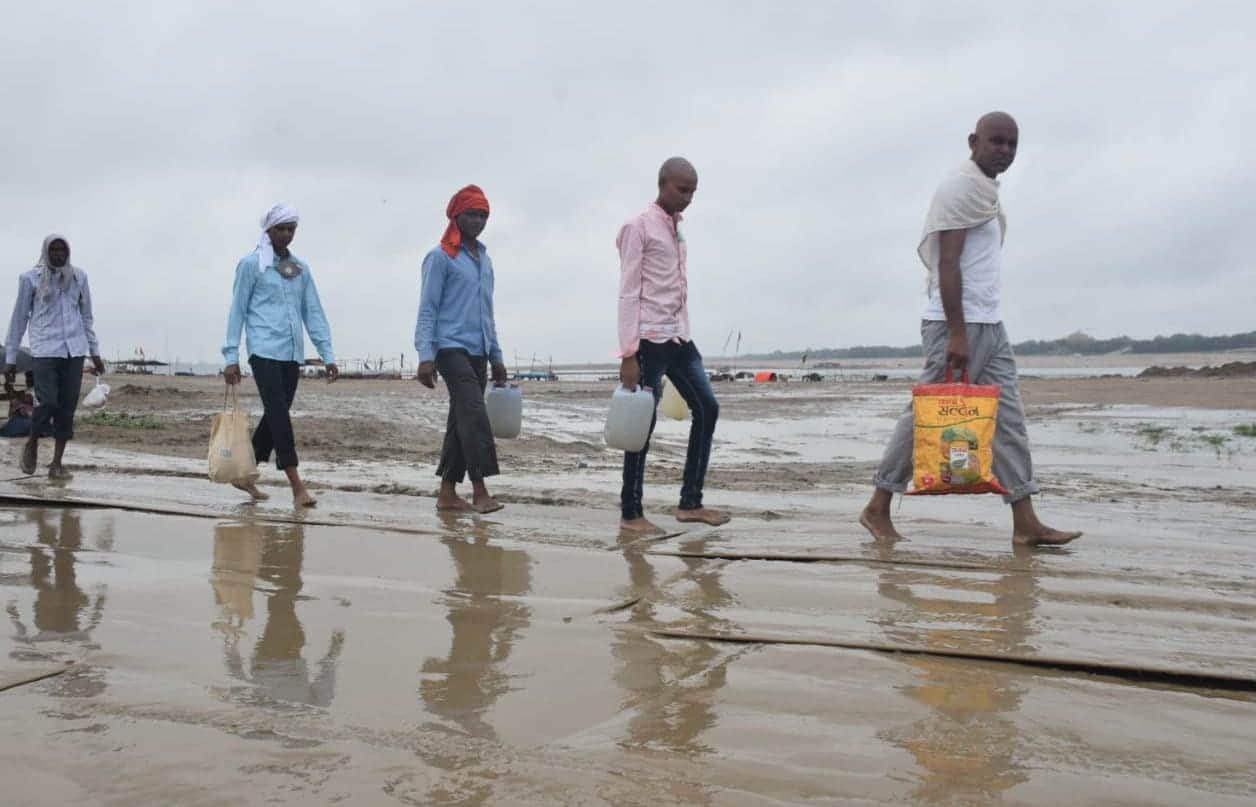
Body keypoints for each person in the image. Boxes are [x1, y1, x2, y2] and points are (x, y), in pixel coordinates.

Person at [859, 112, 1082, 548]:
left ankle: (1025, 521)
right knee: (926, 415)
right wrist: (958, 333)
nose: (1005, 150)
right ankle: (877, 505)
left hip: (989, 323)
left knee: (1010, 420)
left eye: (1012, 144)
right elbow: (948, 263)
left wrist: (979, 325)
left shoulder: (986, 193)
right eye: (996, 141)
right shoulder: (959, 188)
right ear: (973, 142)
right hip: (954, 322)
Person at [616, 157, 729, 535]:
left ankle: (690, 504)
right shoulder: (639, 227)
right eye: (683, 190)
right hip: (649, 339)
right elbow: (629, 291)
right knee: (641, 425)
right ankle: (631, 513)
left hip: (680, 335)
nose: (689, 198)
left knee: (707, 408)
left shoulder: (677, 231)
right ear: (662, 184)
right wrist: (628, 352)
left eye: (694, 191)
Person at [222, 204, 339, 507]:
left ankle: (245, 473)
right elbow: (237, 311)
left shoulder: (300, 269)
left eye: (291, 229)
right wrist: (231, 356)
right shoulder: (251, 265)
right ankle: (297, 486)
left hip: (291, 354)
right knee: (280, 416)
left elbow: (313, 312)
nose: (286, 234)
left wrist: (327, 354)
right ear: (268, 231)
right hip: (263, 350)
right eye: (280, 229)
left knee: (275, 417)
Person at [415, 184, 507, 514]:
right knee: (473, 412)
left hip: (478, 349)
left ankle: (447, 493)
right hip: (448, 348)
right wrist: (425, 355)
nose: (478, 221)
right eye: (472, 214)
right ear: (456, 216)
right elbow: (427, 308)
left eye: (483, 215)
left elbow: (487, 312)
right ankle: (481, 490)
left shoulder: (485, 261)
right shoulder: (440, 258)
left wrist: (496, 356)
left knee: (460, 419)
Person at [4, 235, 106, 478]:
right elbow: (19, 318)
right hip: (45, 349)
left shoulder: (79, 277)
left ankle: (57, 464)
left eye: (63, 250)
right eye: (54, 250)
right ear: (46, 252)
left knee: (67, 409)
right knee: (48, 401)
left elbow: (86, 316)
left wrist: (95, 352)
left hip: (74, 350)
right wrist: (10, 357)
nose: (59, 254)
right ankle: (32, 441)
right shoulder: (30, 279)